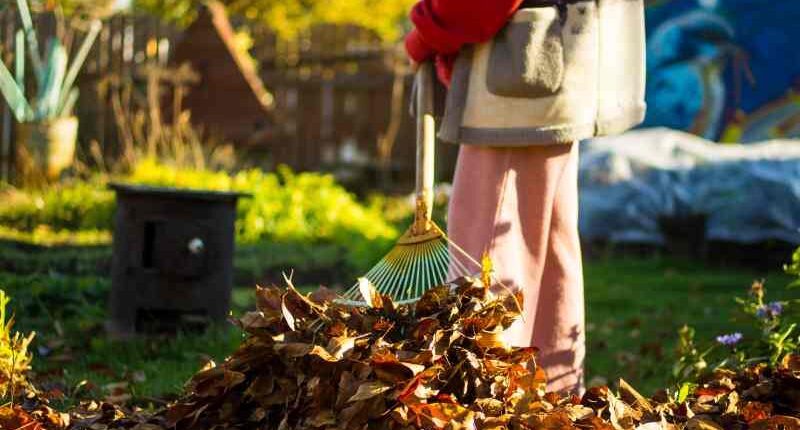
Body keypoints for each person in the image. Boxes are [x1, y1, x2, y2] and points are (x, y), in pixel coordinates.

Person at [405, 0, 647, 393]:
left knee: (485, 259)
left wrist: (427, 29)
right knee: (548, 251)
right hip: (559, 76)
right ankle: (550, 396)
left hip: (516, 82)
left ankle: (482, 399)